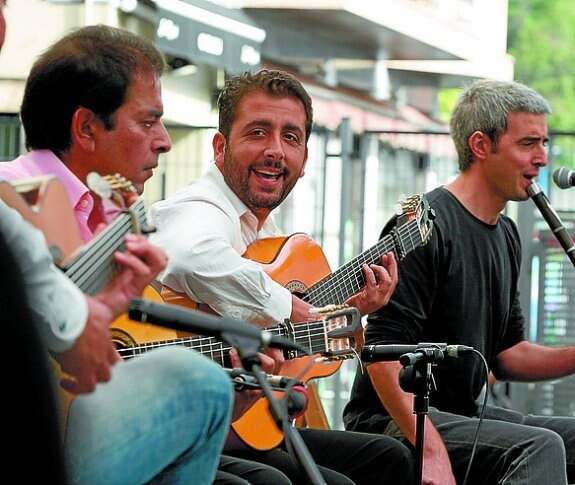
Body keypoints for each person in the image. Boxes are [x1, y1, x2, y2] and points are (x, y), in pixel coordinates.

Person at [148, 68, 415, 484]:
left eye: (291, 137)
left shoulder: (264, 233)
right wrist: (289, 304)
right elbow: (189, 254)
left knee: (390, 457)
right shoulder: (202, 206)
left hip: (243, 419)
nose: (275, 150)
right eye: (258, 132)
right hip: (177, 418)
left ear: (305, 159)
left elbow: (286, 342)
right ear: (219, 147)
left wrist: (350, 309)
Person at [0, 22, 233, 484]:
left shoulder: (108, 219)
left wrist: (102, 310)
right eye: (148, 121)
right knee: (202, 387)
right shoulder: (13, 196)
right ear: (86, 128)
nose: (165, 140)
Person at [343, 79, 575, 485]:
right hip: (395, 417)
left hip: (464, 415)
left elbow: (507, 355)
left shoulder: (505, 233)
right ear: (481, 145)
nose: (542, 158)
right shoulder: (421, 227)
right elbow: (379, 353)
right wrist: (430, 447)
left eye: (544, 143)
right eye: (528, 144)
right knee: (539, 446)